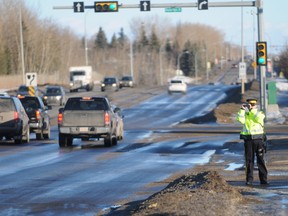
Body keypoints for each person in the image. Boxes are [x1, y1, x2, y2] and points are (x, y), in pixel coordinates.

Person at [236, 98, 268, 186]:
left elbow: (259, 119)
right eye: (250, 104)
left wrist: (252, 110)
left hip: (258, 139)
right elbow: (240, 120)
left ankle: (263, 180)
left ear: (256, 105)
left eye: (253, 105)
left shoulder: (259, 113)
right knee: (249, 161)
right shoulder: (245, 114)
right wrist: (242, 110)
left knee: (260, 160)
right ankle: (249, 180)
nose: (251, 106)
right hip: (248, 140)